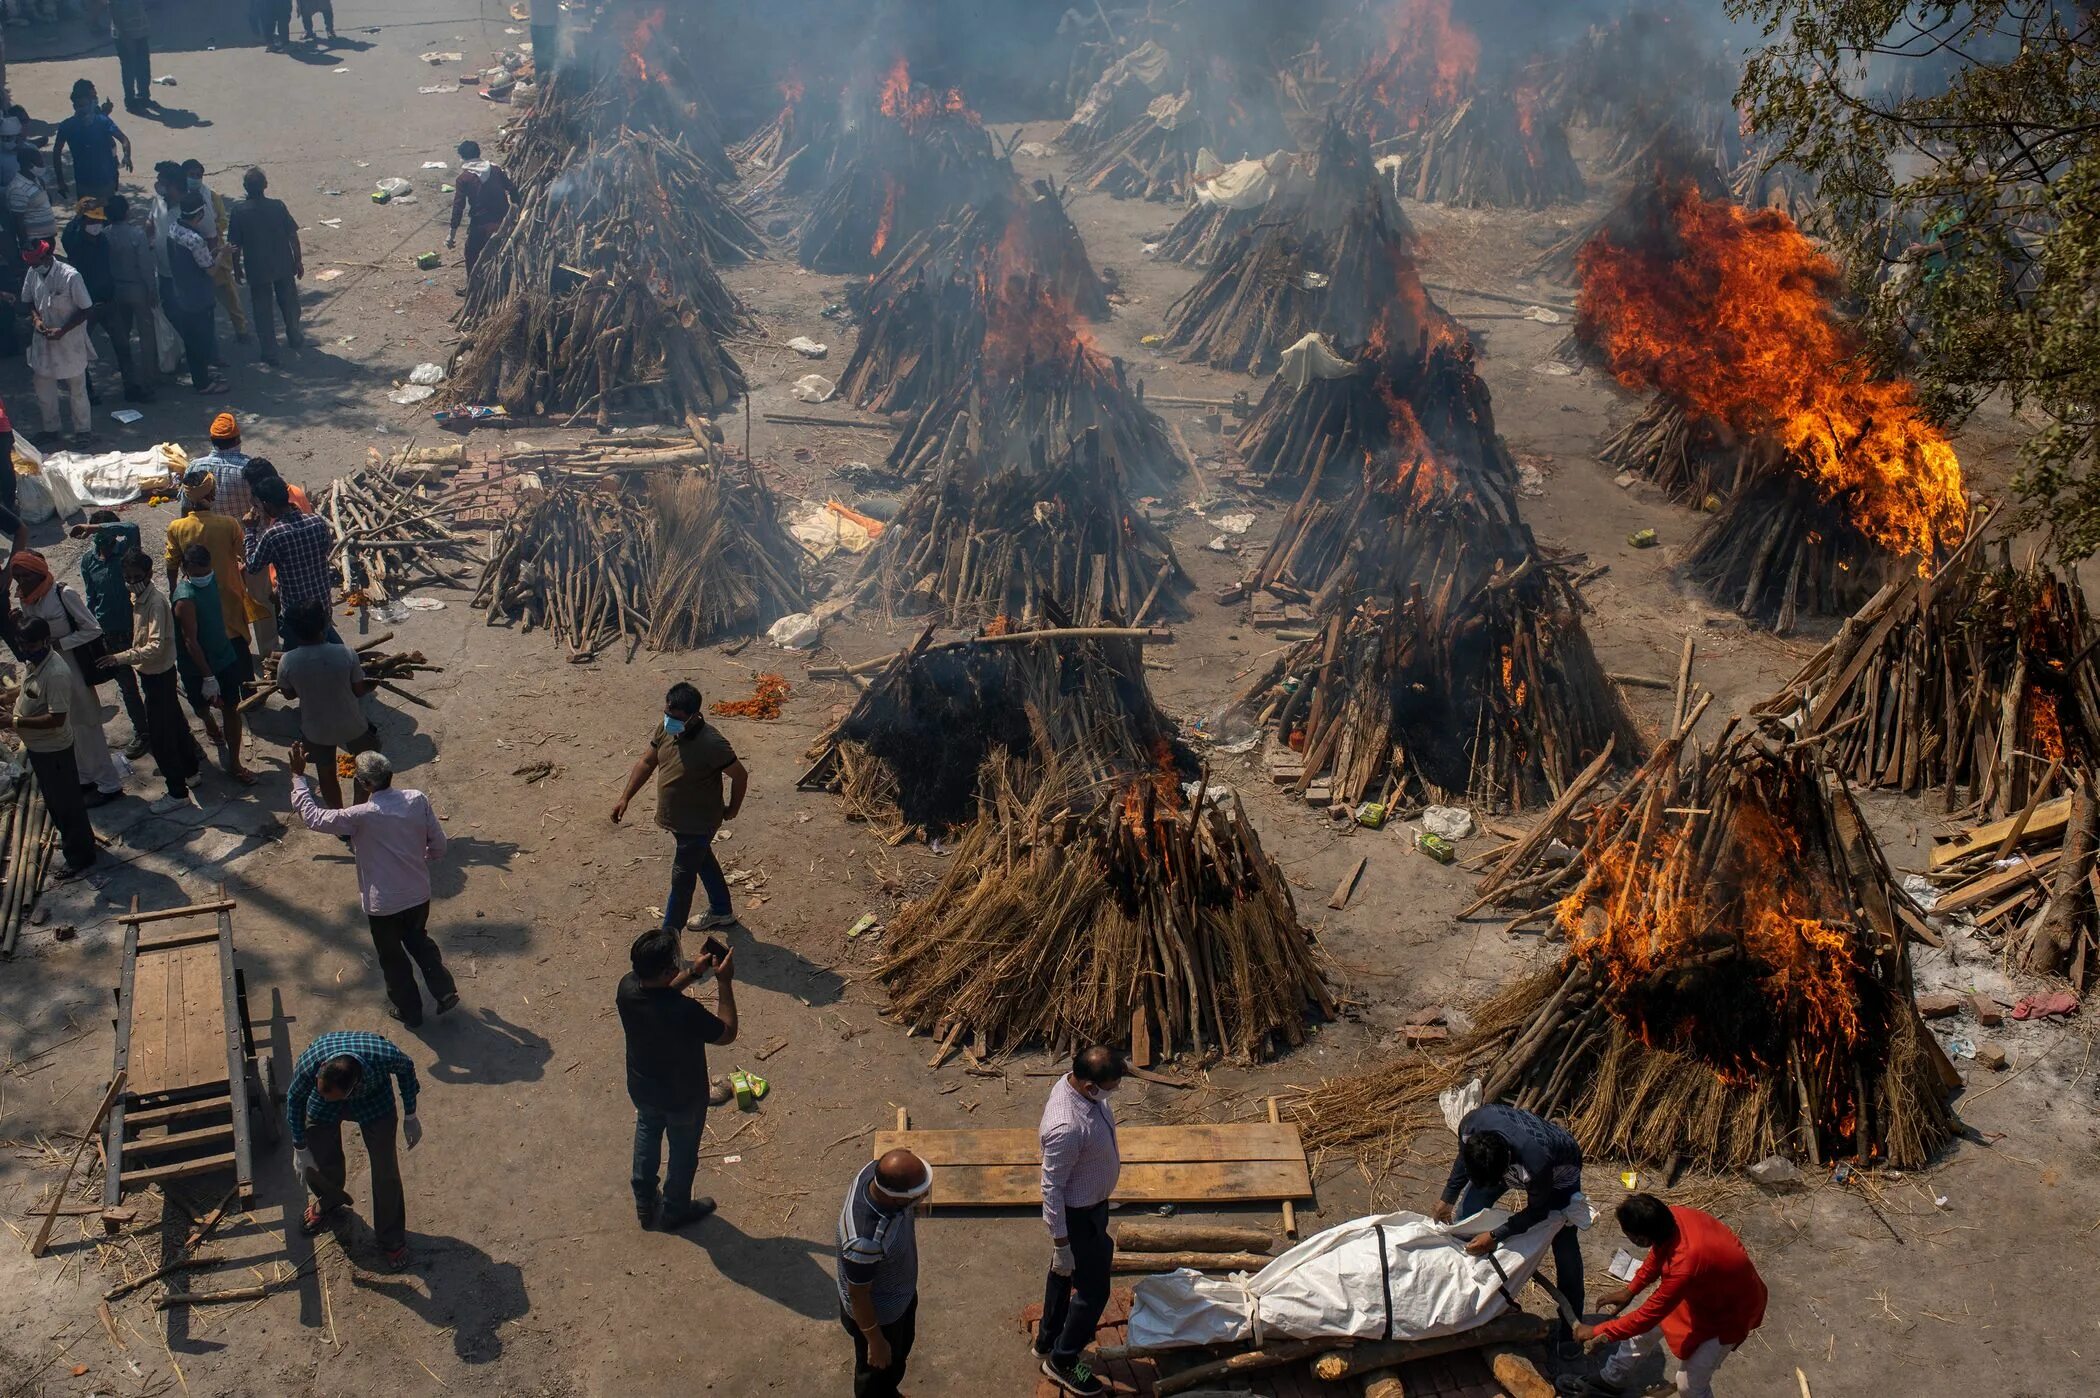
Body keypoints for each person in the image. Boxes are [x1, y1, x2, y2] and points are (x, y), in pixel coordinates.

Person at [288, 745, 459, 1026]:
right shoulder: (416, 799)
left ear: (365, 784)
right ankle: (444, 989)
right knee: (418, 940)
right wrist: (423, 858)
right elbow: (438, 845)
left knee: (393, 960)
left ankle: (410, 1012)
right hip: (418, 894)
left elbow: (314, 817)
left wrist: (298, 777)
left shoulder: (360, 816)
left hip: (384, 906)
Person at [1565, 1195, 1768, 1398]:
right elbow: (1658, 1253)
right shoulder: (1672, 1217)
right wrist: (1630, 1290)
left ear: (1641, 1239)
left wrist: (1596, 1330)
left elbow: (1645, 1318)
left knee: (1690, 1384)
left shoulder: (1683, 1266)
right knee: (1639, 1337)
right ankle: (1613, 1378)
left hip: (1731, 1311)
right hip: (1702, 1290)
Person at [1434, 1103, 1587, 1343]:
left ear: (1505, 1168)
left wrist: (1495, 1236)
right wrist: (1448, 1197)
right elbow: (1463, 1161)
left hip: (1559, 1176)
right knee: (1468, 1214)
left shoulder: (1537, 1162)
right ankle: (1467, 1297)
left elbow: (1538, 1212)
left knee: (1563, 1244)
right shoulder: (1471, 1127)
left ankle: (1571, 1330)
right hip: (1508, 1162)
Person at [616, 928, 737, 1231]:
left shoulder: (627, 988)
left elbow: (662, 993)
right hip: (684, 1096)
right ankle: (675, 1209)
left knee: (647, 1133)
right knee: (683, 1155)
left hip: (643, 1087)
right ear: (669, 969)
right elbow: (726, 1032)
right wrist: (724, 982)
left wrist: (694, 972)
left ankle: (645, 1202)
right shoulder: (685, 1011)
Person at [611, 681, 748, 935]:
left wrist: (733, 809)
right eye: (666, 714)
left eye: (675, 717)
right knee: (703, 860)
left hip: (698, 823)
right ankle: (721, 910)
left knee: (682, 880)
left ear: (694, 716)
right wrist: (625, 797)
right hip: (677, 820)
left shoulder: (712, 743)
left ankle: (668, 940)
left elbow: (740, 776)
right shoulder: (666, 729)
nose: (668, 720)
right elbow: (646, 761)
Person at [286, 1029, 421, 1268]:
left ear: (352, 1088)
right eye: (320, 1090)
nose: (325, 1097)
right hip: (324, 1106)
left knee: (385, 1170)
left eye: (333, 1096)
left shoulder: (383, 1055)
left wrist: (410, 1114)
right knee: (316, 1152)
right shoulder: (311, 1065)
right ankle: (328, 1199)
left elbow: (407, 1068)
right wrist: (299, 1145)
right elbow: (295, 1100)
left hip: (375, 1103)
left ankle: (390, 1238)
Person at [1036, 1045, 1123, 1397]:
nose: (1113, 1092)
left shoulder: (1078, 1090)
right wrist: (1061, 1243)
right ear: (1090, 1086)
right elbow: (1051, 1187)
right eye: (1112, 1087)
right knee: (1094, 1290)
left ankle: (1048, 1338)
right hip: (1079, 1217)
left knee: (1063, 1273)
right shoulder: (1067, 1126)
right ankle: (1062, 1359)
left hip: (1092, 1208)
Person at [11, 551, 124, 800]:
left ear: (39, 573)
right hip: (47, 669)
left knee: (87, 725)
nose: (21, 581)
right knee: (67, 726)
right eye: (16, 576)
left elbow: (93, 629)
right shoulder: (26, 599)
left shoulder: (63, 594)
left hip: (72, 667)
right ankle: (85, 778)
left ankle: (109, 784)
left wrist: (61, 642)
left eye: (25, 575)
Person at [1, 614, 99, 877]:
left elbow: (56, 719)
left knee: (65, 804)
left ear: (45, 641)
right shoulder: (35, 664)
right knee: (58, 802)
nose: (25, 651)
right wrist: (7, 697)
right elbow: (27, 692)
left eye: (30, 646)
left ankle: (80, 856)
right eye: (22, 645)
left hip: (53, 749)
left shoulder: (55, 673)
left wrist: (14, 721)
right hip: (39, 749)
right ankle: (80, 844)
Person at [104, 549, 198, 813]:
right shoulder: (140, 597)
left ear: (148, 574)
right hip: (155, 674)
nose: (132, 581)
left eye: (136, 576)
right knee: (177, 726)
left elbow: (155, 646)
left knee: (161, 736)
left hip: (157, 675)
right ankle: (191, 772)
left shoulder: (155, 603)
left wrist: (120, 658)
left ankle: (177, 792)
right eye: (127, 577)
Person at [836, 1148, 930, 1398]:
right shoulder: (865, 1241)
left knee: (896, 1359)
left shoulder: (872, 1172)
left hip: (898, 1294)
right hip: (879, 1316)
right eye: (918, 1194)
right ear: (897, 1199)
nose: (925, 1196)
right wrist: (875, 1341)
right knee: (877, 1374)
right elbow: (858, 1294)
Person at [69, 512, 151, 759]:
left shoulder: (126, 552)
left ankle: (171, 729)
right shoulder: (88, 562)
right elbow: (92, 597)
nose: (102, 542)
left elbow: (132, 526)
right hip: (110, 634)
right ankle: (143, 732)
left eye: (103, 535)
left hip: (137, 627)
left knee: (152, 681)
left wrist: (93, 527)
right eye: (97, 537)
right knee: (128, 688)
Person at [172, 542, 254, 782]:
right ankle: (208, 723)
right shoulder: (184, 599)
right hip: (197, 666)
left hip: (224, 656)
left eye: (206, 571)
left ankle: (235, 763)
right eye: (197, 574)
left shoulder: (211, 581)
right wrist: (208, 676)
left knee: (231, 708)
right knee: (201, 707)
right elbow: (191, 642)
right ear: (186, 569)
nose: (203, 577)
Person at [276, 602, 372, 806]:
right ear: (325, 624)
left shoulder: (287, 662)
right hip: (351, 723)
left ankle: (338, 819)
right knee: (366, 765)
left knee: (326, 773)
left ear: (293, 630)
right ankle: (359, 810)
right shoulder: (346, 653)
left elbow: (288, 695)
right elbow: (358, 690)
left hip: (316, 729)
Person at [164, 466, 254, 671]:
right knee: (237, 646)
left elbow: (171, 563)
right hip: (229, 593)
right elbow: (246, 555)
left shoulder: (177, 527)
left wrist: (173, 592)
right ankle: (247, 691)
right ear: (211, 494)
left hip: (197, 596)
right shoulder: (229, 524)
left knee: (205, 642)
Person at [61, 200, 143, 408]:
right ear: (82, 220)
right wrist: (78, 214)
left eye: (99, 220)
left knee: (123, 345)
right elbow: (68, 235)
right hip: (85, 306)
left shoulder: (103, 239)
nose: (96, 224)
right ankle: (86, 391)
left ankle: (131, 387)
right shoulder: (75, 240)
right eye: (91, 220)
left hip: (108, 301)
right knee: (81, 352)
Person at [20, 236, 94, 449]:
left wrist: (63, 330)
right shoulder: (33, 272)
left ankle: (83, 431)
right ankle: (51, 429)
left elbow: (86, 309)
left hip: (69, 341)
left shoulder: (71, 276)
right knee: (44, 389)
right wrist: (36, 319)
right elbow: (28, 302)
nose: (34, 267)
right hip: (43, 342)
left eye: (36, 262)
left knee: (77, 389)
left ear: (47, 256)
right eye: (31, 264)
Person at [226, 167, 303, 364]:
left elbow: (234, 246)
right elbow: (292, 235)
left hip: (257, 268)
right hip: (283, 264)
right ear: (265, 186)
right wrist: (298, 260)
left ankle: (269, 351)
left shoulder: (239, 212)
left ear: (245, 187)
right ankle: (294, 336)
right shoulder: (277, 206)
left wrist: (236, 268)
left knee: (262, 310)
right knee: (289, 303)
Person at [243, 471, 333, 629]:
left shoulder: (273, 535)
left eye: (259, 505)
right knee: (324, 640)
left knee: (296, 651)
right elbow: (325, 550)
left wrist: (250, 530)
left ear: (268, 505)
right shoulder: (317, 521)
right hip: (323, 605)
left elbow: (252, 566)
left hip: (297, 616)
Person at [163, 188, 229, 394]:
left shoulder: (173, 229)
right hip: (198, 298)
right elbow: (210, 270)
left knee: (192, 340)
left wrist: (212, 254)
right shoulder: (195, 239)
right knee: (199, 341)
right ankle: (203, 383)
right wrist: (222, 253)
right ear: (200, 214)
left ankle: (201, 375)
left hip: (180, 293)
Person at [182, 159, 249, 343]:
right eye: (191, 175)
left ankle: (241, 329)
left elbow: (222, 221)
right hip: (194, 256)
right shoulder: (180, 198)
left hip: (216, 250)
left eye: (198, 176)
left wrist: (210, 232)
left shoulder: (211, 197)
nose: (195, 179)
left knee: (229, 296)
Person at [100, 195, 156, 400]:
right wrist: (152, 290)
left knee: (122, 337)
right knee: (147, 335)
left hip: (116, 289)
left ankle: (128, 376)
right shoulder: (136, 234)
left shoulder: (105, 235)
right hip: (137, 288)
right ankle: (149, 378)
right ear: (126, 212)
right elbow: (145, 266)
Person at [51, 82, 131, 205]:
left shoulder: (102, 121)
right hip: (84, 183)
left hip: (106, 180)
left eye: (84, 105)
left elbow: (123, 139)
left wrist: (127, 156)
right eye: (79, 106)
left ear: (90, 104)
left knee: (106, 213)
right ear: (74, 106)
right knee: (88, 215)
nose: (82, 109)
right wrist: (60, 181)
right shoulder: (67, 126)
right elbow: (56, 153)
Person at [447, 141, 514, 275]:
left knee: (471, 252)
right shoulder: (495, 169)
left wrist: (451, 235)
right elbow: (512, 189)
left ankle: (473, 286)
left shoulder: (464, 178)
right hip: (503, 220)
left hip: (481, 223)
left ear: (463, 158)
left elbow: (458, 207)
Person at [110, 0, 153, 114]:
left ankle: (144, 96)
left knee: (143, 66)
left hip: (140, 32)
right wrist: (126, 38)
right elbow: (115, 15)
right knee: (129, 69)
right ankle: (130, 100)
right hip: (125, 36)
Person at [7, 148, 56, 242]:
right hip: (35, 241)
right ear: (30, 165)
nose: (43, 166)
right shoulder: (18, 189)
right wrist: (25, 243)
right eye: (40, 163)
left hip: (48, 237)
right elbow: (18, 220)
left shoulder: (37, 180)